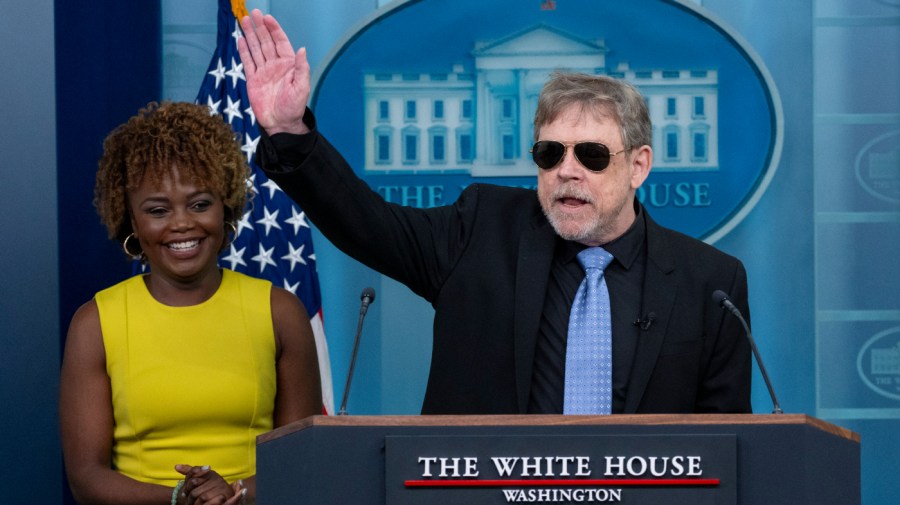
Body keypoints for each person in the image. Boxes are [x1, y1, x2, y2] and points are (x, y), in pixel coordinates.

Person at [237, 10, 751, 415]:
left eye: (591, 155)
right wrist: (288, 132)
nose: (567, 171)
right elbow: (366, 223)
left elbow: (730, 447)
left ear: (639, 165)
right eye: (550, 153)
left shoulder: (710, 283)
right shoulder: (479, 229)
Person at [59, 101, 322, 505]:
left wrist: (234, 493)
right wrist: (178, 499)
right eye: (158, 210)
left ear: (226, 207)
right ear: (131, 221)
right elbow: (86, 478)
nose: (182, 223)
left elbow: (303, 461)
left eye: (200, 204)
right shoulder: (95, 322)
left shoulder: (280, 312)